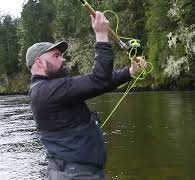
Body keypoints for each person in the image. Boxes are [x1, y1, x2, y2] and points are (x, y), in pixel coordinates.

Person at [27, 12, 145, 180]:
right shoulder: (46, 91)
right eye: (56, 55)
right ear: (38, 62)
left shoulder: (49, 89)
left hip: (76, 172)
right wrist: (101, 35)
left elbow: (97, 83)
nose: (63, 59)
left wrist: (130, 72)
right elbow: (99, 79)